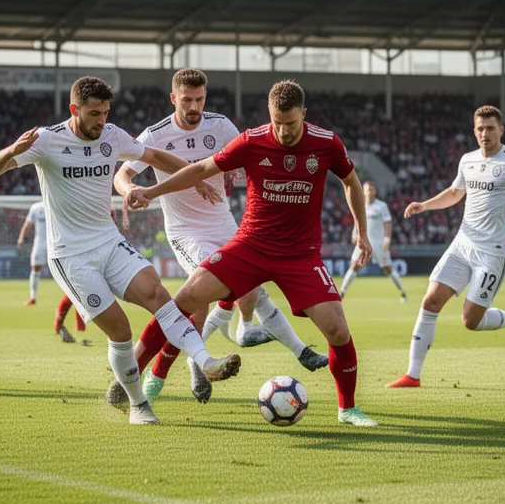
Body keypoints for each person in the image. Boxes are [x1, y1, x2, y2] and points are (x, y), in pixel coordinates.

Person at [0, 76, 240, 425]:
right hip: (71, 254)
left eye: (105, 112)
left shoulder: (112, 135)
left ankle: (206, 362)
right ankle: (137, 404)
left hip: (109, 240)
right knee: (120, 330)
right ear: (75, 110)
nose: (101, 121)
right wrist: (11, 151)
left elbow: (155, 155)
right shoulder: (46, 140)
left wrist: (198, 177)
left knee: (158, 294)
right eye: (93, 113)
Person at [125, 79, 379, 427]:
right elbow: (200, 169)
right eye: (276, 122)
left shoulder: (326, 143)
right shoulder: (251, 139)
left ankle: (347, 409)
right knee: (186, 299)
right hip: (250, 245)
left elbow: (350, 181)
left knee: (337, 330)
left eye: (290, 123)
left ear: (303, 114)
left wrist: (361, 231)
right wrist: (151, 192)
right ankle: (140, 380)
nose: (283, 130)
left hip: (300, 254)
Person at [113, 68, 326, 405]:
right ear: (174, 98)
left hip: (224, 222)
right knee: (199, 300)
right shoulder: (155, 134)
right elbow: (123, 172)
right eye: (187, 100)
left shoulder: (221, 125)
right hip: (185, 230)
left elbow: (251, 156)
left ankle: (293, 349)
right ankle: (179, 370)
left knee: (254, 291)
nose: (194, 106)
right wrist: (130, 189)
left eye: (199, 99)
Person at [387, 105, 505, 389]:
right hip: (462, 244)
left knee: (470, 321)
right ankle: (413, 375)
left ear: (501, 130)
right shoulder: (467, 160)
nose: (485, 133)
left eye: (491, 128)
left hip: (493, 253)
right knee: (430, 300)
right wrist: (425, 205)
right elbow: (456, 192)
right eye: (480, 128)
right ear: (474, 130)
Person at [339, 182, 407, 302]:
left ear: (375, 191)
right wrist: (355, 233)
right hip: (364, 242)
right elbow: (357, 221)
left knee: (387, 268)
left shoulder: (382, 206)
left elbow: (388, 223)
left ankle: (402, 292)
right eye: (367, 189)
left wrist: (387, 238)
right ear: (363, 192)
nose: (369, 191)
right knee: (354, 266)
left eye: (371, 189)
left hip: (379, 243)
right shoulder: (360, 205)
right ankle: (342, 292)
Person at [17, 200, 47, 307]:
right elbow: (28, 224)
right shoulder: (36, 207)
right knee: (35, 269)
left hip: (57, 243)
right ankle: (33, 297)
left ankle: (72, 299)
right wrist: (21, 237)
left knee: (65, 271)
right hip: (40, 243)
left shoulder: (56, 203)